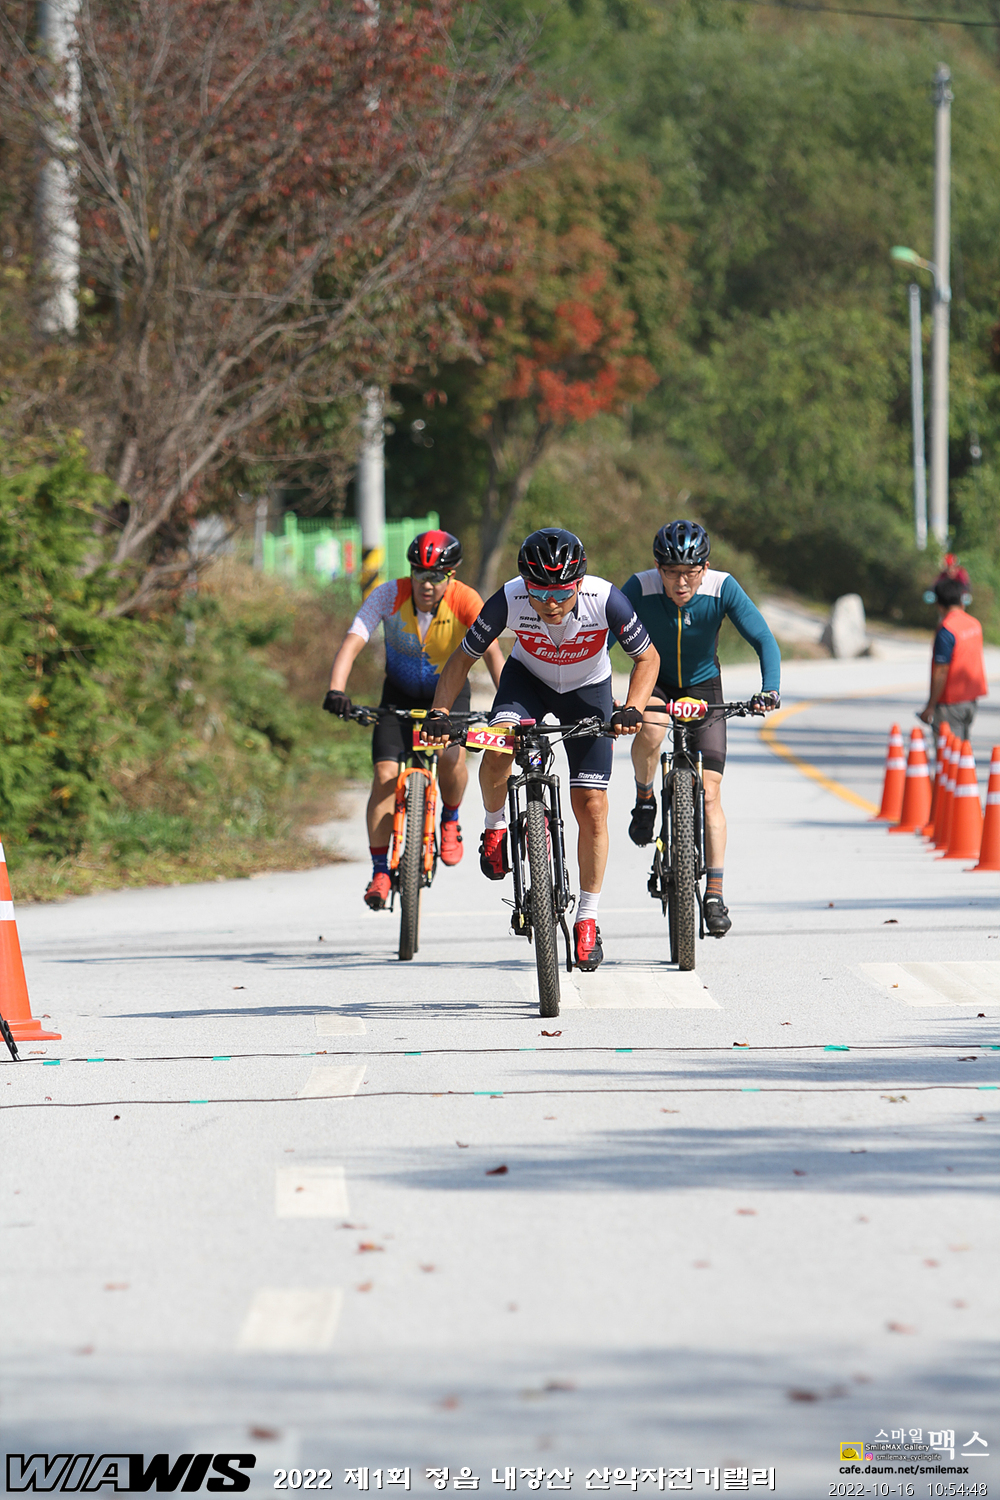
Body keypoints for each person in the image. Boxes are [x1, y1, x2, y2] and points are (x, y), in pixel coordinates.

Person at [423, 527, 659, 972]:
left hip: (588, 690)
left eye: (562, 593)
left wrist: (633, 707)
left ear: (579, 584)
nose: (551, 603)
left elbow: (648, 658)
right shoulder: (509, 598)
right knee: (499, 747)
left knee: (592, 806)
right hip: (526, 684)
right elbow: (462, 658)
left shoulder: (605, 599)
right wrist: (439, 712)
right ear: (525, 585)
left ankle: (587, 918)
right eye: (540, 593)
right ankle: (494, 826)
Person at [324, 530, 505, 910]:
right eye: (419, 573)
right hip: (399, 697)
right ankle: (380, 871)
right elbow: (354, 639)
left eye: (436, 576)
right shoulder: (389, 595)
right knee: (384, 776)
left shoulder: (465, 599)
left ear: (451, 574)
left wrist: (507, 705)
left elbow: (492, 654)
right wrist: (336, 689)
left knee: (452, 757)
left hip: (448, 696)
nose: (426, 584)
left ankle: (450, 819)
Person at [620, 520, 780, 938]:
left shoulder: (722, 587)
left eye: (690, 573)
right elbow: (601, 641)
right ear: (658, 568)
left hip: (704, 686)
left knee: (710, 793)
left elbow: (763, 639)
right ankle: (645, 799)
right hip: (654, 681)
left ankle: (714, 893)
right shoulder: (638, 587)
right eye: (671, 572)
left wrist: (770, 689)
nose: (681, 582)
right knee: (652, 728)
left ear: (704, 568)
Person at [918, 575, 988, 740]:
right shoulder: (974, 624)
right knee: (963, 749)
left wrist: (930, 706)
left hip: (950, 703)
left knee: (949, 751)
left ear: (939, 604)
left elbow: (941, 671)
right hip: (971, 699)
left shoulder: (947, 630)